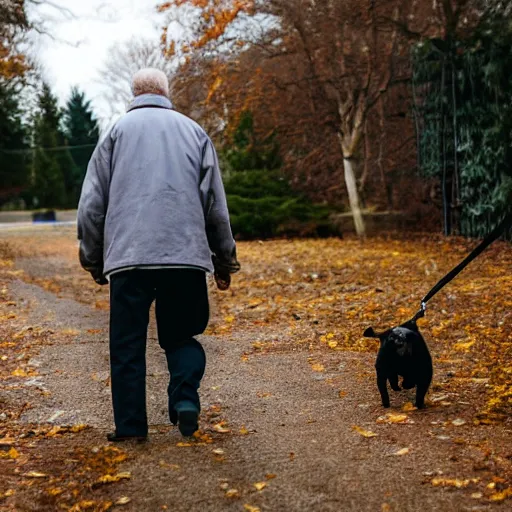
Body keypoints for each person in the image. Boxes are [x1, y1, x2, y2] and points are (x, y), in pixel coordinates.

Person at [77, 68, 240, 441]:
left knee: (127, 346)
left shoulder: (115, 134)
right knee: (182, 335)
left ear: (133, 93)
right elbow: (215, 203)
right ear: (167, 93)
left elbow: (90, 206)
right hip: (184, 258)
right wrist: (223, 259)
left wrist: (94, 258)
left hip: (129, 260)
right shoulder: (194, 132)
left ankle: (132, 429)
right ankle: (185, 400)